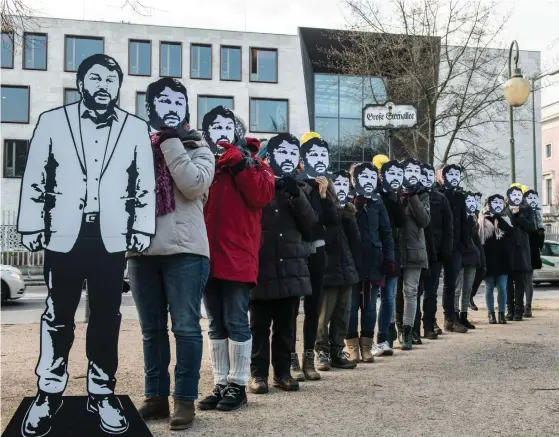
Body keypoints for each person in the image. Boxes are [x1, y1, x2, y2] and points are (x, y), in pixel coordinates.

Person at [17, 54, 156, 436]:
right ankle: (48, 392)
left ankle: (101, 391)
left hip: (110, 238)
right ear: (80, 83)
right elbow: (34, 177)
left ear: (119, 87)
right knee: (57, 315)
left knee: (106, 317)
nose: (103, 86)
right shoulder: (51, 121)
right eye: (95, 78)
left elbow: (142, 184)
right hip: (63, 236)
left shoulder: (135, 128)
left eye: (111, 80)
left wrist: (142, 228)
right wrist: (30, 224)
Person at [128, 79, 215, 430]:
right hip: (140, 249)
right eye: (161, 101)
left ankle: (184, 399)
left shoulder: (200, 148)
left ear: (187, 110)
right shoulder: (133, 147)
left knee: (186, 328)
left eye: (177, 101)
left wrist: (171, 143)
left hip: (185, 251)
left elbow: (193, 185)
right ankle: (155, 396)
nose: (169, 106)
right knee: (151, 329)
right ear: (149, 108)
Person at [201, 134, 275, 412]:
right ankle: (221, 383)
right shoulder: (210, 163)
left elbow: (262, 196)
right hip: (208, 254)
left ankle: (238, 384)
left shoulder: (258, 164)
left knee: (236, 321)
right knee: (215, 323)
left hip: (238, 255)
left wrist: (241, 166)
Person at [249, 140, 318, 393]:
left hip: (291, 267)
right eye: (279, 154)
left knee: (286, 325)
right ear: (267, 158)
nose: (285, 158)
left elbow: (311, 221)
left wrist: (296, 195)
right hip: (261, 266)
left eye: (291, 153)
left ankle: (282, 372)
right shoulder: (256, 184)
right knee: (258, 326)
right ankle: (258, 375)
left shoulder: (300, 187)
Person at [291, 134, 336, 382]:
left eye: (322, 154)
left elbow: (330, 221)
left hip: (318, 251)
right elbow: (302, 220)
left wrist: (323, 195)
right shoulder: (292, 181)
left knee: (312, 307)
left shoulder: (324, 183)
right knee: (290, 308)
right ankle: (291, 359)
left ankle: (309, 357)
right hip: (295, 252)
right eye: (312, 154)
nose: (317, 159)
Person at [345, 163, 394, 362]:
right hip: (352, 260)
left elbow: (386, 232)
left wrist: (389, 258)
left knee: (370, 305)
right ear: (353, 179)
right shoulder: (346, 198)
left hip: (374, 260)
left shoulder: (378, 201)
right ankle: (352, 346)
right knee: (351, 304)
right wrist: (354, 206)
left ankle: (367, 345)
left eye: (371, 177)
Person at [315, 176, 361, 370]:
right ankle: (321, 352)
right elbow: (328, 237)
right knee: (323, 316)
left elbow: (355, 240)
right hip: (329, 270)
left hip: (346, 269)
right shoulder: (323, 209)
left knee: (343, 314)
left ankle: (336, 350)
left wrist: (348, 213)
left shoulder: (344, 211)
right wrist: (329, 205)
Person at [395, 158, 431, 350]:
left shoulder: (422, 195)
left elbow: (424, 221)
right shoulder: (392, 190)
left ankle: (408, 331)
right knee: (394, 292)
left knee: (411, 291)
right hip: (394, 249)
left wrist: (413, 196)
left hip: (414, 251)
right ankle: (397, 328)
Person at [417, 164, 453, 340]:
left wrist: (446, 249)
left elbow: (448, 225)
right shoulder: (412, 197)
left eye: (430, 175)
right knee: (415, 291)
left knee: (431, 291)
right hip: (417, 250)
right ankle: (413, 328)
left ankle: (429, 325)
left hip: (436, 252)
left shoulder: (440, 198)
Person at [374, 158, 405, 355]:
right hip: (374, 251)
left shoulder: (394, 195)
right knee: (370, 300)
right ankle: (368, 339)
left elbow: (401, 221)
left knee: (388, 298)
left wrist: (394, 198)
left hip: (392, 250)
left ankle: (384, 337)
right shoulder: (371, 193)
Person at [437, 164, 469, 333]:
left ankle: (450, 319)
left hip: (455, 246)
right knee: (432, 284)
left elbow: (464, 221)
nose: (454, 177)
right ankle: (430, 322)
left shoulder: (459, 197)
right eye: (449, 174)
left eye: (457, 174)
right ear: (440, 176)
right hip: (438, 245)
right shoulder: (437, 194)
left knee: (451, 284)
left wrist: (463, 243)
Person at [478, 194, 514, 324]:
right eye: (494, 202)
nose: (497, 205)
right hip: (488, 258)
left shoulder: (504, 218)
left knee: (502, 288)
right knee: (489, 287)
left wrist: (498, 217)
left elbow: (510, 232)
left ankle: (501, 313)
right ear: (488, 204)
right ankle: (491, 313)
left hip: (502, 259)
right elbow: (479, 238)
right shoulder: (481, 219)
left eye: (500, 202)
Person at [454, 192, 485, 330]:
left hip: (471, 256)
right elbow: (462, 236)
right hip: (460, 255)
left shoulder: (473, 218)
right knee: (457, 288)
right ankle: (454, 316)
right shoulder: (458, 217)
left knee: (467, 288)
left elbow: (474, 239)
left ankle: (464, 316)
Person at [505, 184, 536, 321]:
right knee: (507, 283)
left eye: (518, 195)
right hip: (507, 249)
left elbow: (531, 227)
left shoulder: (527, 209)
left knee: (520, 282)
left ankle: (519, 309)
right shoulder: (504, 209)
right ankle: (509, 309)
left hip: (521, 249)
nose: (516, 197)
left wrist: (519, 215)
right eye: (513, 195)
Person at [524, 188, 545, 317]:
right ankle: (521, 306)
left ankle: (528, 307)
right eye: (529, 198)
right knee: (522, 280)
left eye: (534, 198)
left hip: (532, 250)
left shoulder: (537, 214)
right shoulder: (524, 212)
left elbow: (540, 234)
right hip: (523, 248)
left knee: (527, 279)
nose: (532, 200)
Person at [469, 192, 484, 311]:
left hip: (477, 242)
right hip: (470, 242)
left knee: (482, 269)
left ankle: (470, 295)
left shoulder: (479, 213)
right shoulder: (468, 212)